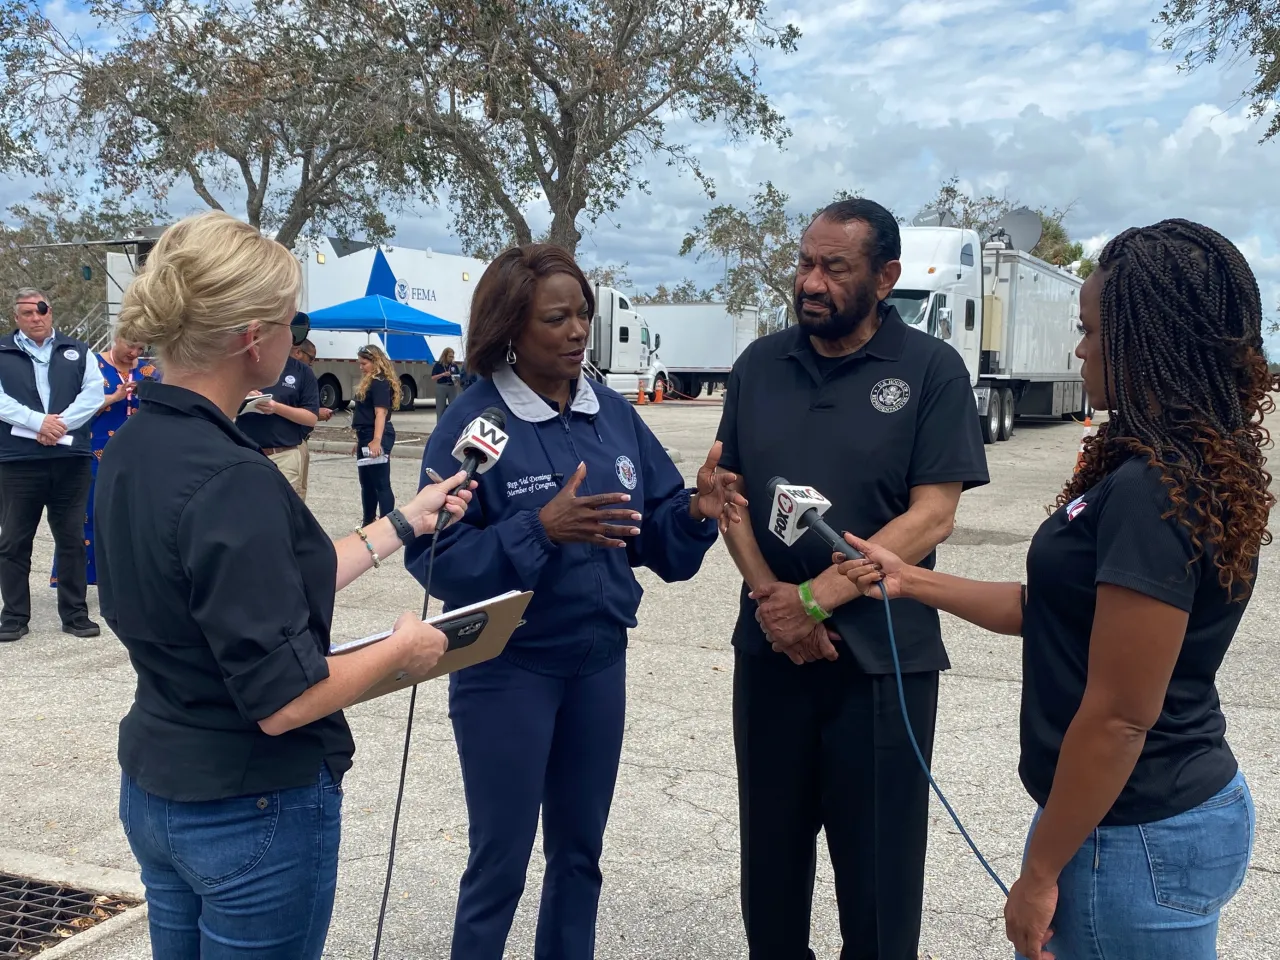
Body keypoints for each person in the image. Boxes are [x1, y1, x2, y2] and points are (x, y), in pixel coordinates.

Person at [836, 218, 1267, 960]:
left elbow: (1121, 718)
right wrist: (910, 582)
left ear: (1147, 342)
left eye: (1093, 331)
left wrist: (1037, 875)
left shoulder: (1153, 491)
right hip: (1155, 814)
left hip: (1132, 830)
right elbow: (1052, 613)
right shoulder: (1178, 467)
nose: (1080, 350)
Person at [93, 210, 473, 959]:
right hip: (249, 805)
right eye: (289, 320)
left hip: (159, 785)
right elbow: (283, 701)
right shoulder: (231, 477)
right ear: (251, 337)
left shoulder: (138, 444)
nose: (295, 337)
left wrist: (404, 523)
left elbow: (266, 586)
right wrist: (405, 651)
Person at [407, 243, 745, 960]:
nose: (575, 332)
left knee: (580, 857)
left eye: (583, 315)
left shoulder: (612, 415)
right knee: (498, 865)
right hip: (508, 671)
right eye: (555, 318)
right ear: (508, 329)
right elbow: (437, 559)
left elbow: (658, 536)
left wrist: (695, 515)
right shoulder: (477, 424)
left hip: (597, 667)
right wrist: (540, 528)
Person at [713, 198, 990, 960]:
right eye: (805, 263)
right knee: (770, 871)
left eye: (834, 267)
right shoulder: (758, 366)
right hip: (770, 656)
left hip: (882, 663)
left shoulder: (931, 370)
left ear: (885, 276)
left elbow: (933, 516)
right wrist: (774, 601)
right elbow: (726, 493)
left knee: (878, 884)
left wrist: (814, 600)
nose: (810, 282)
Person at [0, 288, 107, 641]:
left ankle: (75, 614)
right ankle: (14, 616)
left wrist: (58, 424)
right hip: (19, 462)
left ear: (51, 312)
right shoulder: (3, 350)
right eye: (28, 313)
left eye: (41, 310)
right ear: (16, 317)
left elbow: (93, 394)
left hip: (70, 459)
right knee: (14, 541)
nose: (36, 317)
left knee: (72, 539)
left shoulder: (78, 351)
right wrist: (38, 422)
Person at [49, 335, 159, 588]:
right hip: (93, 451)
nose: (135, 352)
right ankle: (76, 580)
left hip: (138, 456)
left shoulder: (149, 371)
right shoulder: (91, 366)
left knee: (130, 516)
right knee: (86, 515)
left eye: (140, 348)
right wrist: (113, 398)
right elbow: (71, 410)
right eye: (131, 345)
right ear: (117, 338)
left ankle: (124, 578)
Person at [235, 324, 320, 500]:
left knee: (281, 513)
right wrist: (242, 393)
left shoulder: (302, 372)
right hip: (246, 452)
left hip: (283, 455)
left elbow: (311, 418)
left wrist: (275, 407)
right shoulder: (247, 364)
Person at [352, 343, 399, 525]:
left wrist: (376, 440)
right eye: (360, 363)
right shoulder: (370, 381)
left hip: (376, 433)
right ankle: (368, 520)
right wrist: (361, 440)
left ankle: (387, 522)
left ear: (375, 362)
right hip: (366, 434)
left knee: (380, 482)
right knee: (367, 483)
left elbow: (381, 412)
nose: (361, 367)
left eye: (364, 363)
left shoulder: (380, 382)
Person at [290, 338, 332, 501]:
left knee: (300, 489)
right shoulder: (280, 375)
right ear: (298, 352)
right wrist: (314, 413)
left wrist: (315, 413)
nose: (312, 363)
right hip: (289, 442)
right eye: (311, 358)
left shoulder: (305, 375)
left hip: (302, 438)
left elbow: (306, 408)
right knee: (294, 492)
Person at [432, 346, 460, 414]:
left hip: (452, 386)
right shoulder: (438, 365)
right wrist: (442, 374)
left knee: (454, 407)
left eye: (452, 357)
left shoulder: (454, 365)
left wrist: (456, 380)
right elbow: (433, 377)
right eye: (450, 356)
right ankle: (440, 423)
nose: (451, 358)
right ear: (445, 356)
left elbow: (458, 375)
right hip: (441, 386)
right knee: (440, 408)